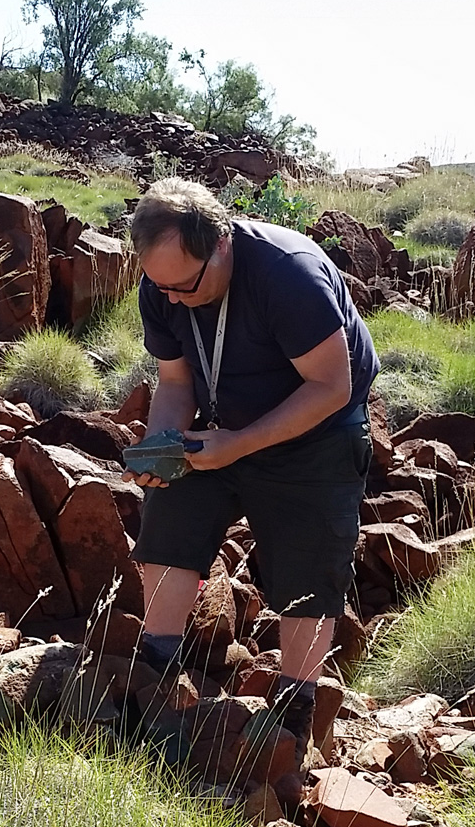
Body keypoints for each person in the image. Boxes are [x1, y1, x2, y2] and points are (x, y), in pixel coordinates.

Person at [121, 177, 378, 752]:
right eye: (158, 286)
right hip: (223, 419)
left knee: (308, 563)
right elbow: (175, 381)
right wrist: (161, 444)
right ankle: (156, 673)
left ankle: (293, 716)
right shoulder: (163, 287)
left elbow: (331, 386)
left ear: (220, 245)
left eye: (183, 285)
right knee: (171, 510)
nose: (171, 299)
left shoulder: (287, 275)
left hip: (315, 430)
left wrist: (239, 444)